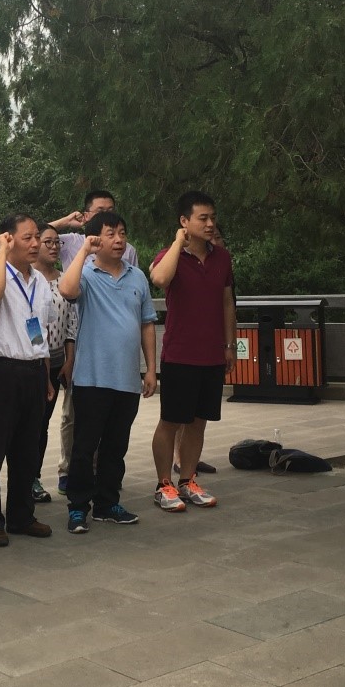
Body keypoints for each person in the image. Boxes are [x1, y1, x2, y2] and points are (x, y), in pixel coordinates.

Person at [59, 212, 158, 533]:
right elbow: (67, 290)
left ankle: (107, 503)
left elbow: (147, 324)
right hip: (92, 378)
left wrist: (151, 369)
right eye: (110, 233)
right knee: (84, 447)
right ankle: (78, 507)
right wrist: (84, 252)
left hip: (127, 379)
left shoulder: (137, 276)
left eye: (122, 233)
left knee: (116, 447)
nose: (118, 240)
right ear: (95, 239)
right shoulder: (86, 274)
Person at [148, 191, 235, 513]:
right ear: (184, 221)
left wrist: (229, 345)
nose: (210, 224)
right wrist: (177, 243)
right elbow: (159, 278)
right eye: (203, 218)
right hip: (180, 354)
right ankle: (163, 484)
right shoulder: (169, 256)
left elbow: (227, 303)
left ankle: (187, 480)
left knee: (199, 421)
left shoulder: (222, 258)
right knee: (171, 421)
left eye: (213, 217)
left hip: (212, 353)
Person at [0, 214, 55, 546]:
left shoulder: (40, 281)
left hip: (34, 370)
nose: (35, 243)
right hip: (2, 371)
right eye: (27, 237)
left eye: (37, 237)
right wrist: (1, 253)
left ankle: (22, 516)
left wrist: (45, 375)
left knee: (27, 450)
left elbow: (40, 331)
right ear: (8, 239)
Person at [33, 222, 77, 503]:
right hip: (36, 361)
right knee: (34, 423)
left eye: (56, 242)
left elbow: (71, 320)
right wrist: (44, 359)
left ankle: (37, 474)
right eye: (47, 242)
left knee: (46, 421)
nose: (53, 247)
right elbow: (32, 325)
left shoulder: (64, 279)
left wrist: (69, 359)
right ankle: (30, 477)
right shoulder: (29, 279)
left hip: (62, 357)